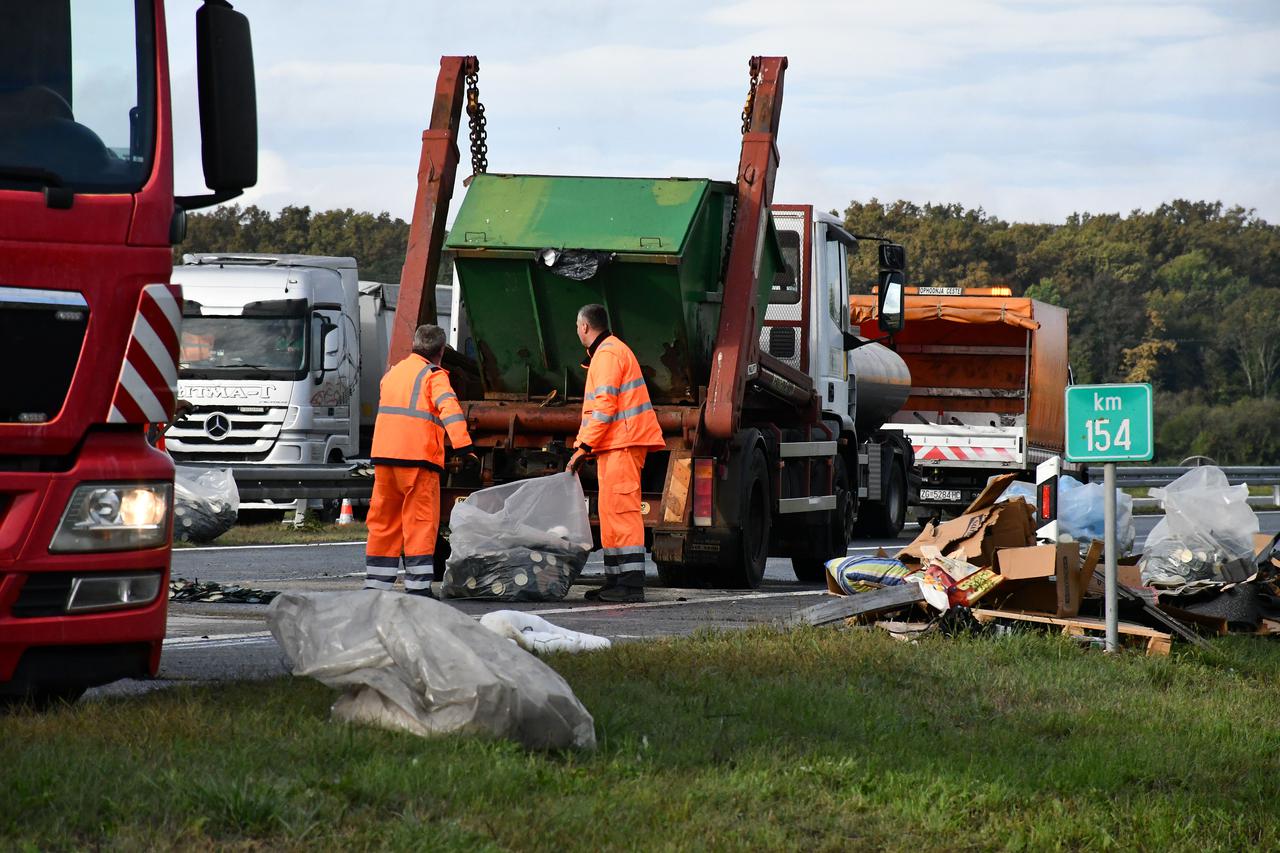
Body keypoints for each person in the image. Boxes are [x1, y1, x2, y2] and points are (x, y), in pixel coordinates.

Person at [364, 324, 474, 596]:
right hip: (418, 461)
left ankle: (376, 587)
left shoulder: (392, 374)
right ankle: (418, 588)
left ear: (414, 345)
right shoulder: (434, 376)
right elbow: (450, 410)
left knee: (383, 523)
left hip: (385, 459)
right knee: (420, 523)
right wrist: (463, 447)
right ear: (441, 350)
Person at [566, 304, 665, 603]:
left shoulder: (608, 355)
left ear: (584, 327)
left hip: (622, 443)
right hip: (615, 445)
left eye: (576, 326)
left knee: (621, 513)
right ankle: (617, 581)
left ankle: (630, 584)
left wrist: (583, 446)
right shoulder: (607, 353)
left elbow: (604, 407)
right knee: (611, 513)